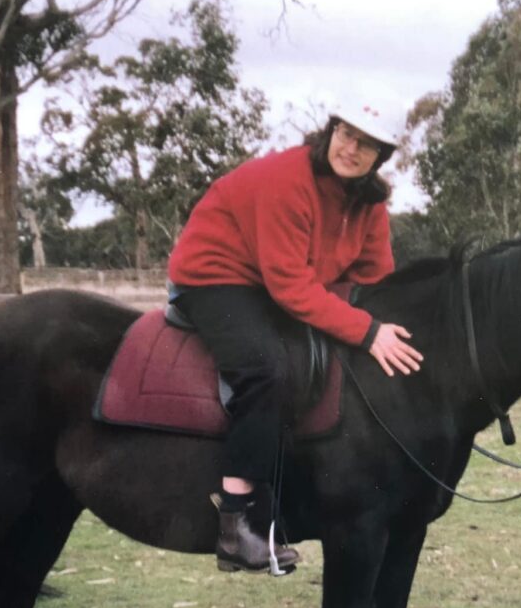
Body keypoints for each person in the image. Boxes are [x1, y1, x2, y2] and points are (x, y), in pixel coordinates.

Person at [167, 105, 424, 574]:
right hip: (217, 273)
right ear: (330, 131)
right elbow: (289, 285)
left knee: (320, 361)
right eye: (345, 133)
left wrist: (389, 325)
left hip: (273, 283)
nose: (351, 148)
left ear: (381, 156)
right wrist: (367, 332)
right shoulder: (288, 179)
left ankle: (290, 499)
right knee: (266, 366)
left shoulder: (370, 205)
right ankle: (235, 524)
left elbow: (374, 279)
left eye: (365, 143)